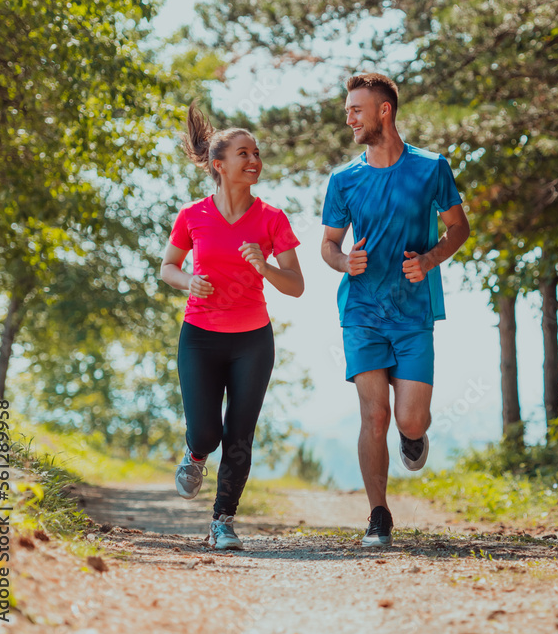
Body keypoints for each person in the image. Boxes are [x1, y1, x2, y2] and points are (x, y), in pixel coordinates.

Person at [321, 73, 470, 547]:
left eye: (356, 110)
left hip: (411, 315)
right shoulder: (344, 179)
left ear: (384, 111)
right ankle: (378, 515)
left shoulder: (431, 169)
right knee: (373, 415)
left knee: (408, 420)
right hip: (362, 311)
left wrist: (427, 260)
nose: (349, 118)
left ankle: (414, 437)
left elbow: (459, 229)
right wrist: (345, 261)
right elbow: (327, 245)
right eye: (347, 109)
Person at [161, 102, 305, 551]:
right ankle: (195, 453)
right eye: (245, 153)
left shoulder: (272, 219)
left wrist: (264, 266)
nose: (255, 160)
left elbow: (296, 286)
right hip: (200, 337)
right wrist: (189, 281)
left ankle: (223, 520)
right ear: (218, 165)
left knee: (240, 432)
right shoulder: (192, 216)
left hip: (252, 341)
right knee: (207, 431)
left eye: (257, 153)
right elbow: (168, 267)